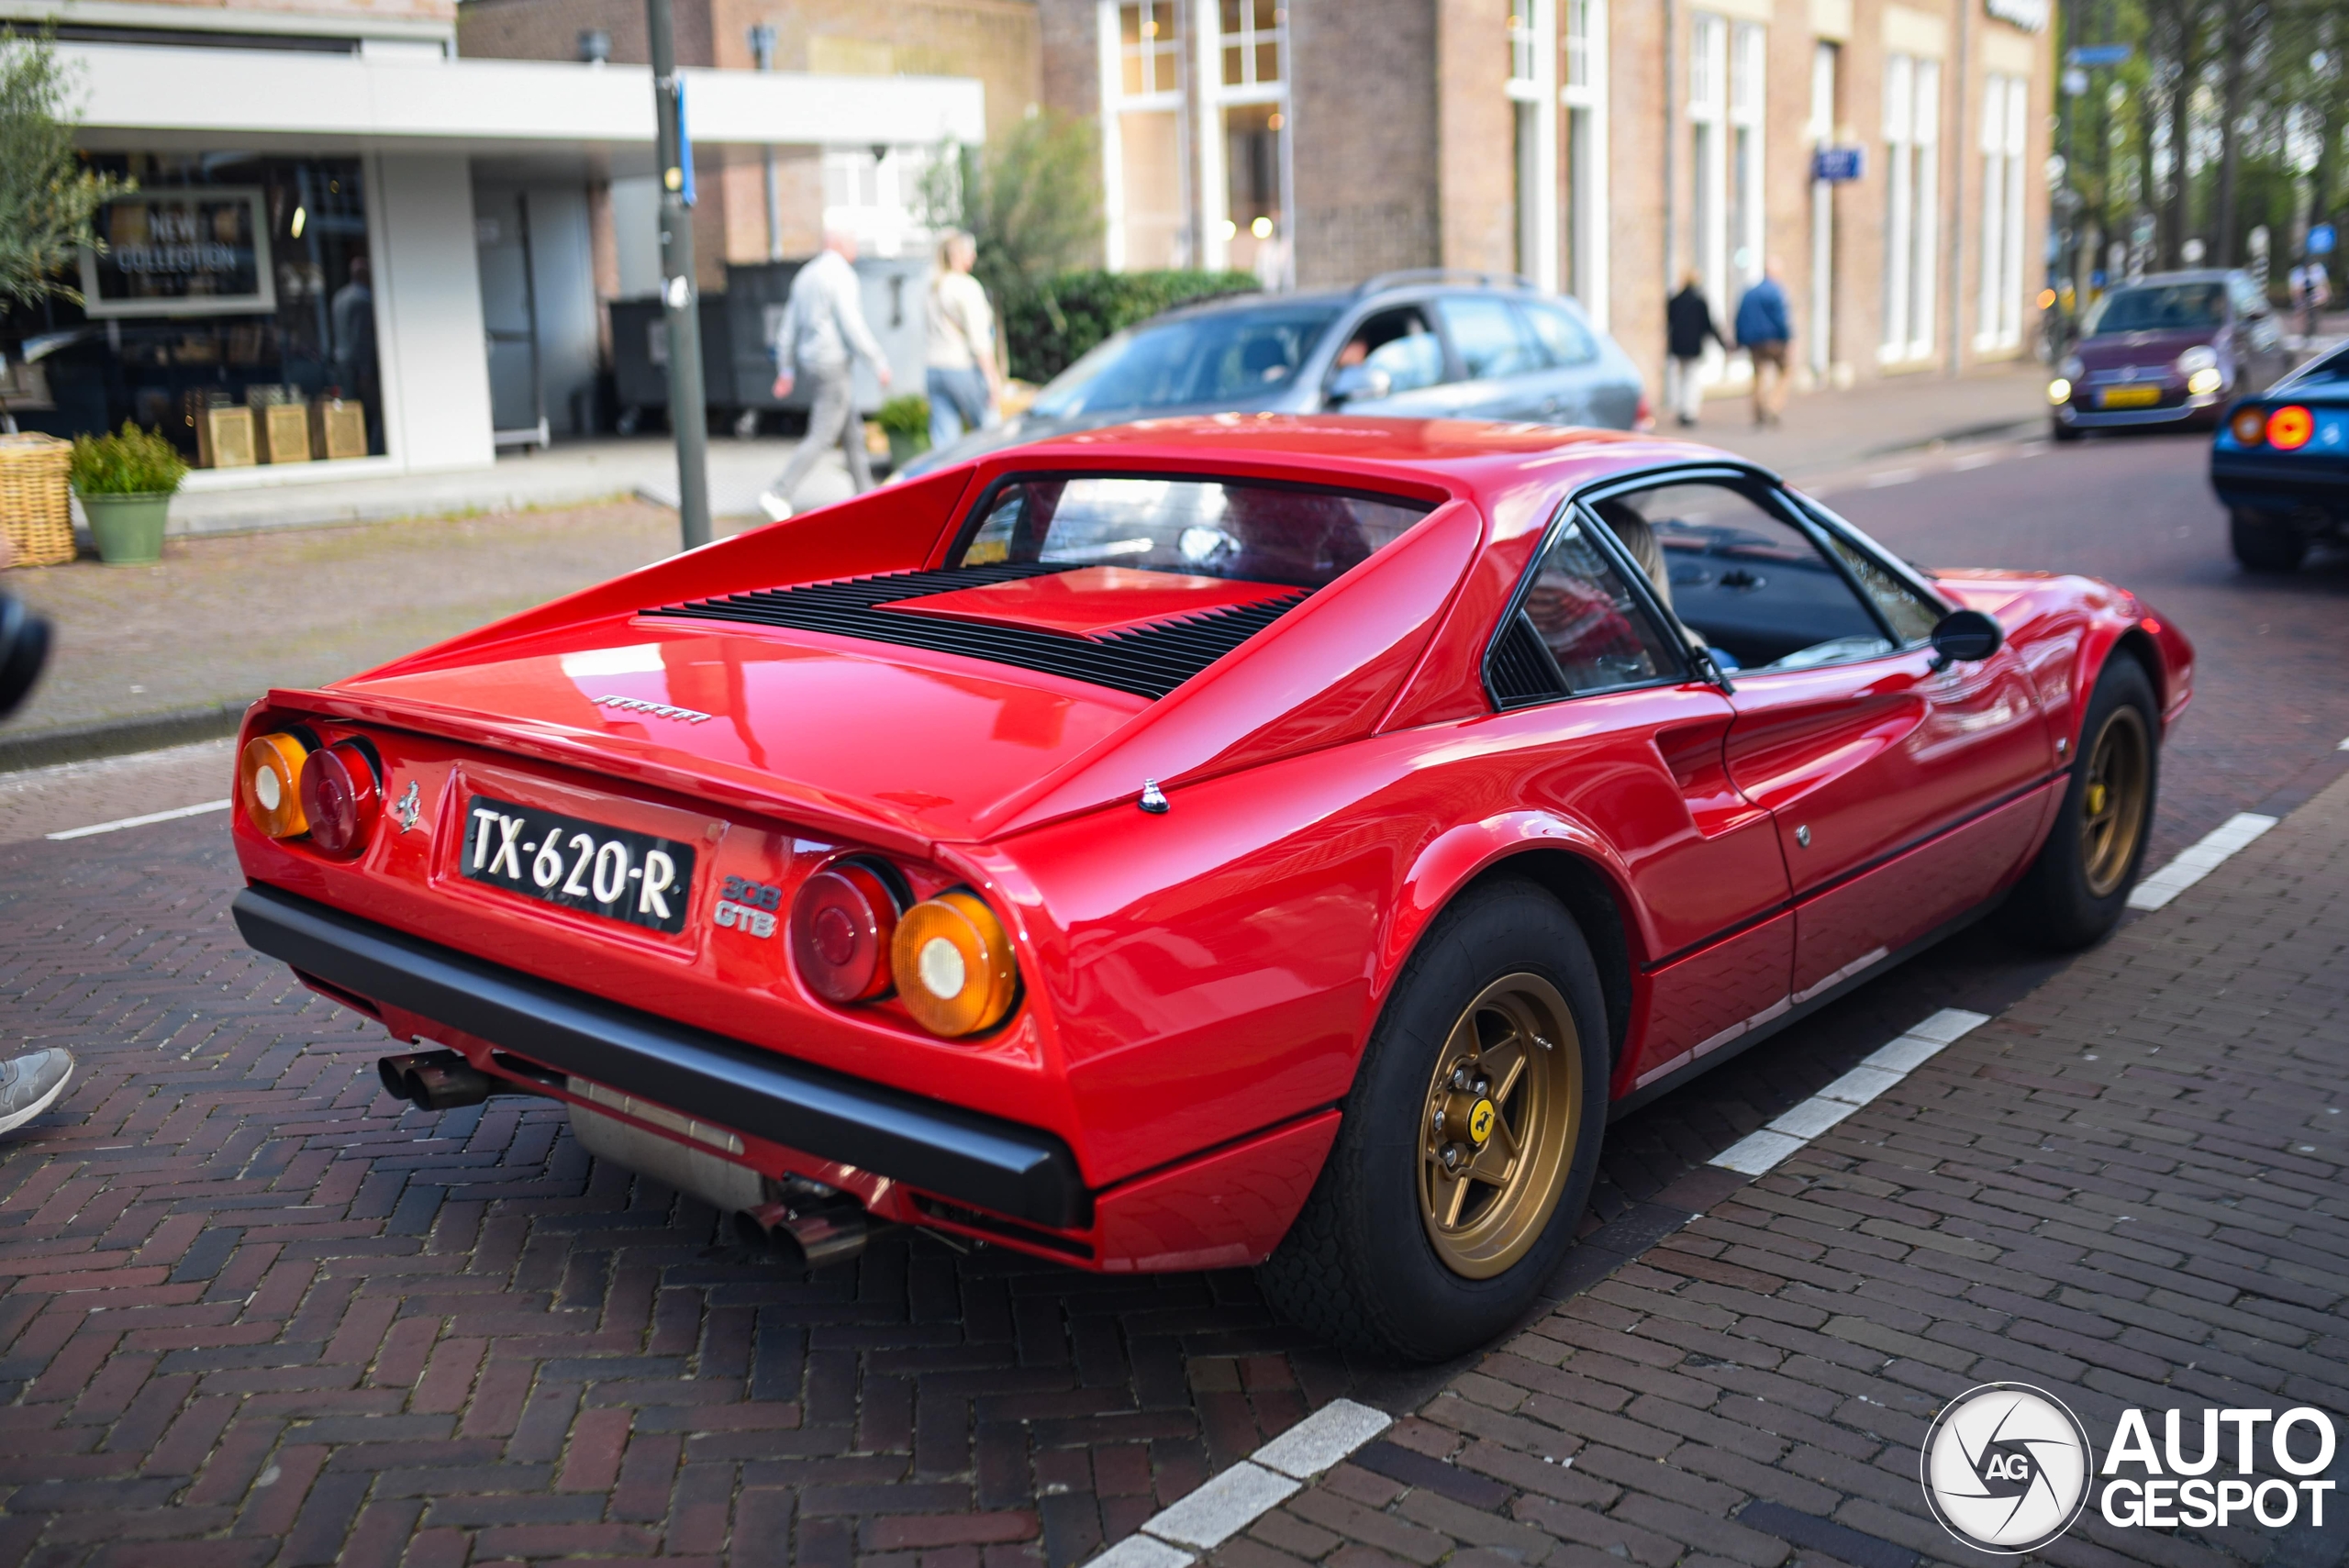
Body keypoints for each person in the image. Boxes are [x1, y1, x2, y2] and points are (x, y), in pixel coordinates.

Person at [759, 227, 892, 522]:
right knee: (822, 434)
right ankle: (778, 492)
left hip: (812, 363)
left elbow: (788, 328)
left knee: (852, 433)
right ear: (840, 243)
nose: (856, 248)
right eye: (854, 241)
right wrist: (878, 361)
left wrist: (786, 369)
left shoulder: (806, 275)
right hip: (832, 363)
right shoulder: (841, 274)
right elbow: (851, 324)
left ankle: (866, 496)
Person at [926, 230, 1001, 451]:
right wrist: (992, 379)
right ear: (958, 255)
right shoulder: (967, 287)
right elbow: (980, 340)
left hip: (934, 369)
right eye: (971, 252)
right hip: (962, 369)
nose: (974, 257)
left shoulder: (933, 286)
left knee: (944, 444)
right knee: (990, 433)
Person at [1735, 260, 1794, 428]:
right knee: (1785, 372)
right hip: (1774, 341)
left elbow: (1741, 317)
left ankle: (1758, 412)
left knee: (1758, 376)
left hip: (1754, 343)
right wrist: (1787, 338)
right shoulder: (1776, 292)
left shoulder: (1750, 292)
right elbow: (1781, 319)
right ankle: (1773, 406)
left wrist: (1740, 339)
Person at [1664, 272, 1724, 428]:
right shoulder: (1699, 301)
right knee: (1691, 378)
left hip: (1678, 346)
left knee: (1681, 376)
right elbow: (1708, 326)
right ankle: (1689, 411)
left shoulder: (1674, 300)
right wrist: (1723, 344)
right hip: (1693, 347)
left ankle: (1680, 408)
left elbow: (1669, 323)